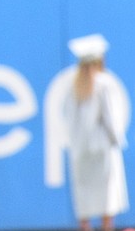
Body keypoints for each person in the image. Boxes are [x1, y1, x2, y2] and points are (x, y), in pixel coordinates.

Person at [63, 34, 129, 231]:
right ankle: (106, 228)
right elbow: (111, 118)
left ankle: (85, 228)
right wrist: (116, 139)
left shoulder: (73, 86)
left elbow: (68, 119)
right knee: (106, 192)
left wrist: (75, 143)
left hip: (80, 149)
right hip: (102, 148)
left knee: (84, 192)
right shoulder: (105, 83)